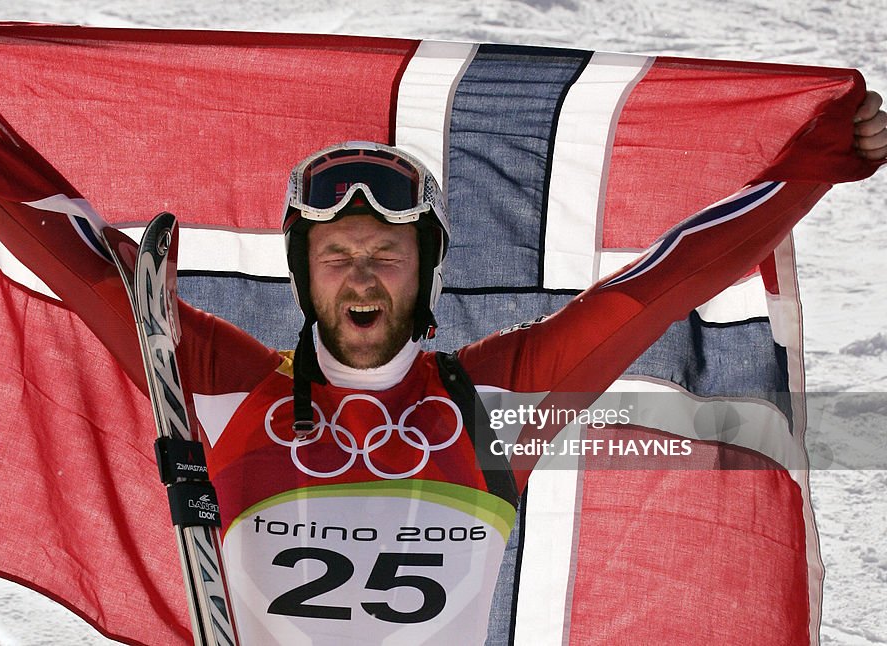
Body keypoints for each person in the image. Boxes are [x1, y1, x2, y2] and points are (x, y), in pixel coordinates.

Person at [169, 94, 886, 644]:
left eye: (387, 256)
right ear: (302, 277)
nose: (361, 281)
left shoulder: (491, 402)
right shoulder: (229, 385)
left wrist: (818, 161)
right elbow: (78, 261)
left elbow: (667, 283)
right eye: (335, 257)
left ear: (426, 277)